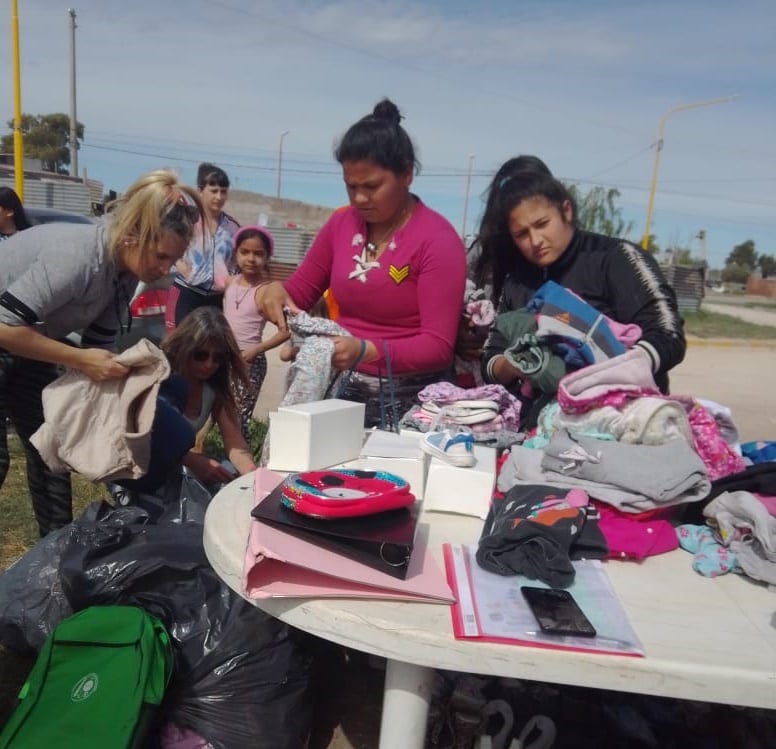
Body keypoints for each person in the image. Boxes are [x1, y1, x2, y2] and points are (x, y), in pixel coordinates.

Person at [0, 169, 200, 536]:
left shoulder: (122, 275)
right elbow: (5, 326)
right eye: (161, 256)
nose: (164, 270)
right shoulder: (80, 256)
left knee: (50, 456)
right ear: (132, 234)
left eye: (172, 261)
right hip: (9, 331)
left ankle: (54, 553)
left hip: (27, 342)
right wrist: (79, 360)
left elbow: (99, 349)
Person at [257, 98, 467, 428]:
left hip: (412, 401)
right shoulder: (341, 226)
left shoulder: (437, 240)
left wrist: (366, 351)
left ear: (407, 174)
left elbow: (438, 346)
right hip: (341, 392)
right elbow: (299, 291)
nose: (358, 199)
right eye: (350, 186)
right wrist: (271, 292)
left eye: (371, 187)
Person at [479, 161, 686, 425]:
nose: (535, 240)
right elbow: (490, 357)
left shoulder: (617, 259)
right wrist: (518, 363)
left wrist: (606, 374)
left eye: (542, 223)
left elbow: (668, 335)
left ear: (566, 210)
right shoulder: (516, 282)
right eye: (522, 234)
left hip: (623, 424)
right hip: (537, 435)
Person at [162, 306, 256, 484]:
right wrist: (191, 460)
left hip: (176, 474)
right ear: (184, 348)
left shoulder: (213, 390)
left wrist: (253, 474)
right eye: (201, 355)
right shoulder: (161, 378)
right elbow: (148, 441)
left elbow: (236, 445)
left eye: (218, 358)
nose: (209, 364)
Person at [223, 225, 289, 438]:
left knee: (239, 416)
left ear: (267, 257)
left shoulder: (266, 290)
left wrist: (256, 349)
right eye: (245, 252)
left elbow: (284, 332)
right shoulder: (230, 283)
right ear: (236, 253)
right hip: (224, 358)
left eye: (258, 254)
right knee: (220, 410)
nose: (251, 259)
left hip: (249, 363)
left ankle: (240, 463)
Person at [167, 162, 240, 329]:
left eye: (223, 192)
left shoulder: (233, 227)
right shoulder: (187, 219)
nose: (219, 197)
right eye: (213, 191)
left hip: (216, 300)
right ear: (200, 191)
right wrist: (182, 267)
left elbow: (237, 261)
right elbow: (167, 245)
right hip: (186, 294)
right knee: (179, 347)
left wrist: (229, 280)